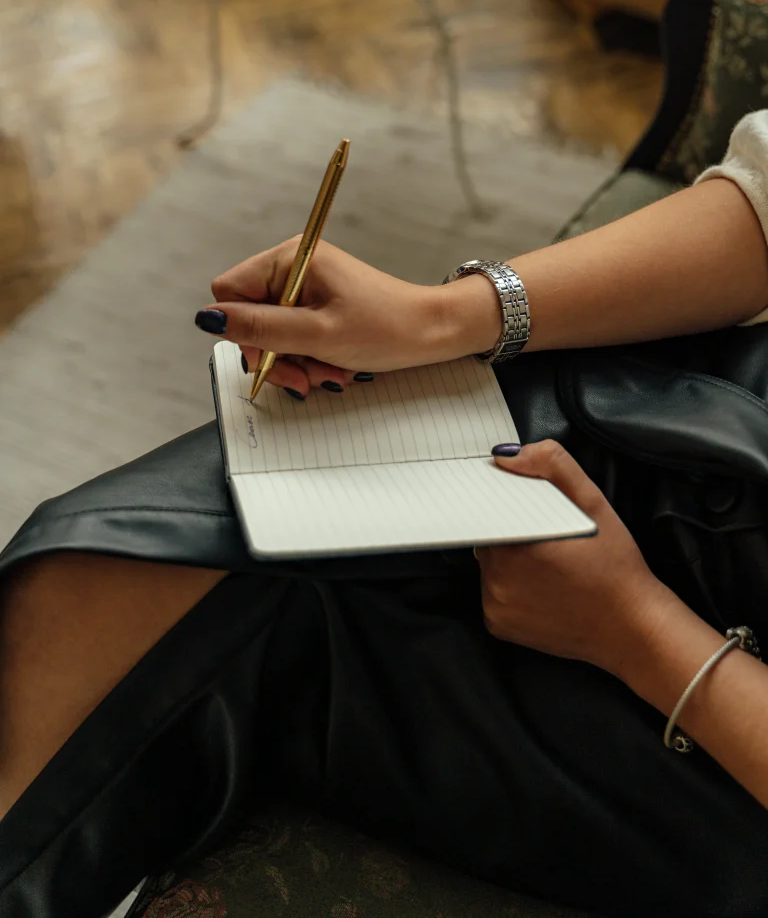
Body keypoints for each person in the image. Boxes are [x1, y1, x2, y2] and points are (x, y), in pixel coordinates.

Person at [2, 112, 768, 918]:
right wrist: (438, 319)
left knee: (225, 600)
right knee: (103, 560)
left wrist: (638, 630)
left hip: (713, 722)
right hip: (693, 422)